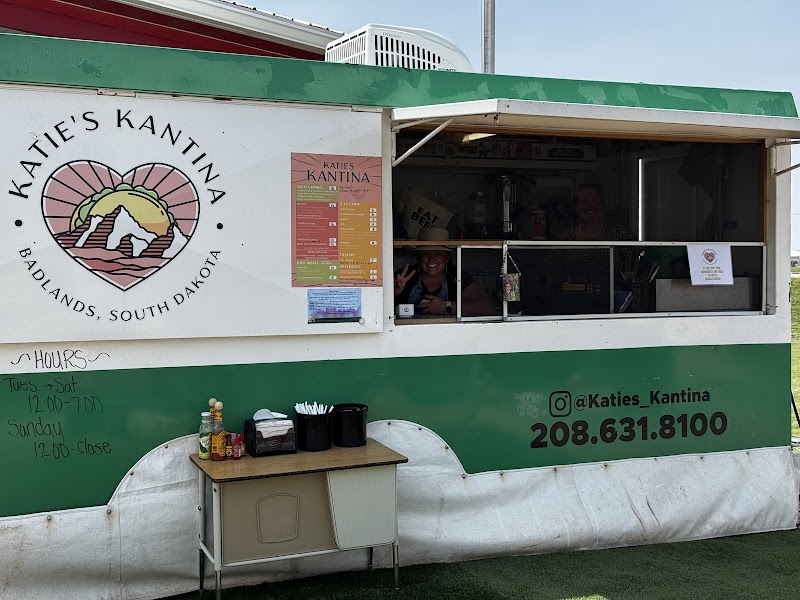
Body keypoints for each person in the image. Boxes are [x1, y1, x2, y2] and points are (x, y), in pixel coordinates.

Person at [553, 184, 638, 312]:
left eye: (595, 202)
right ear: (576, 207)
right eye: (584, 202)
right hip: (572, 305)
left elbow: (637, 265)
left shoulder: (620, 233)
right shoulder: (564, 238)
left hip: (612, 304)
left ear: (603, 206)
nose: (589, 206)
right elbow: (552, 274)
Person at [394, 227, 493, 317]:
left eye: (438, 253)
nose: (431, 259)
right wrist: (393, 293)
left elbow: (486, 307)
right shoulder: (403, 277)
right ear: (418, 257)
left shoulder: (456, 275)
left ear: (446, 258)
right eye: (425, 253)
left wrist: (446, 306)